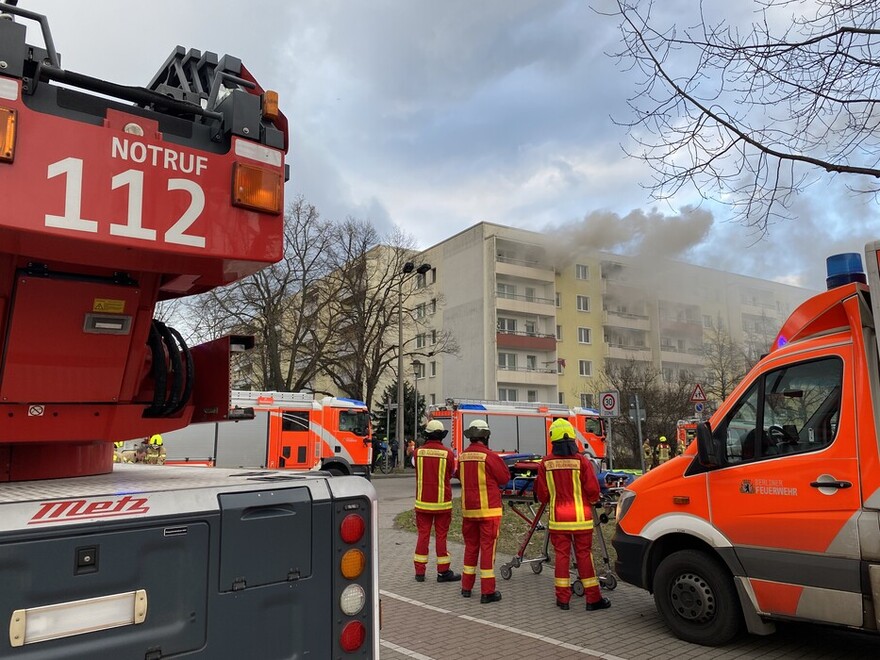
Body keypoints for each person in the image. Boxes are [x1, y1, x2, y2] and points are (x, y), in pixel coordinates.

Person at [535, 418, 611, 612]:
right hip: (581, 519)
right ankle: (593, 599)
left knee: (562, 556)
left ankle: (563, 599)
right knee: (584, 556)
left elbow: (542, 494)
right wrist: (595, 499)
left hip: (558, 520)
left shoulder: (546, 463)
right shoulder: (581, 461)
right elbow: (592, 489)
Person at [453, 419, 511, 604]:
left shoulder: (462, 456)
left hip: (469, 512)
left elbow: (459, 476)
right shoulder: (490, 456)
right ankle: (487, 591)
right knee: (487, 550)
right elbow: (504, 478)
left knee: (471, 548)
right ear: (486, 437)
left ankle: (466, 587)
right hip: (489, 511)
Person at [412, 420, 461, 584]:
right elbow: (450, 474)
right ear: (441, 436)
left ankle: (420, 572)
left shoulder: (417, 452)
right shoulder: (447, 454)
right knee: (441, 537)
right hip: (442, 504)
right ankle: (443, 572)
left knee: (422, 536)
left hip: (422, 503)